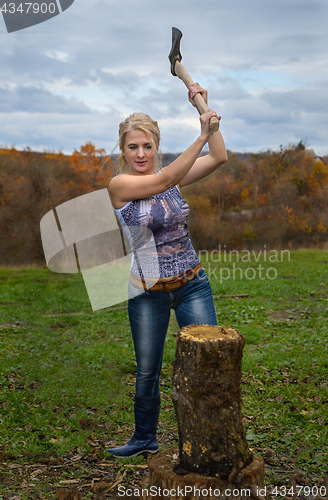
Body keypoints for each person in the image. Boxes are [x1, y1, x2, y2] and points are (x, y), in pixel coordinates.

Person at [107, 84, 228, 458]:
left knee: (210, 361)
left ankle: (213, 440)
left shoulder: (173, 177)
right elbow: (162, 181)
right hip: (147, 293)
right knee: (147, 371)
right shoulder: (121, 185)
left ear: (156, 146)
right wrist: (201, 134)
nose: (140, 153)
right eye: (132, 147)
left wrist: (200, 105)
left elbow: (220, 156)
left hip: (192, 285)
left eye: (146, 146)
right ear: (123, 150)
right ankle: (145, 438)